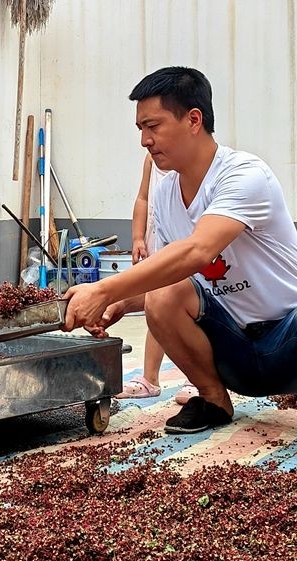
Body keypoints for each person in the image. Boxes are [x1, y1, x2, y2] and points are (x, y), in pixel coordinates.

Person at [63, 66, 297, 438]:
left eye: (153, 126)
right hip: (229, 348)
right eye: (141, 129)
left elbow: (198, 251)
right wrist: (121, 304)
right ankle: (213, 400)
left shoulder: (244, 175)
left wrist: (103, 289)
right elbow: (171, 279)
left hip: (292, 345)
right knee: (164, 295)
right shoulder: (165, 194)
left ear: (194, 119)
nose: (145, 140)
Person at [116, 154, 198, 404]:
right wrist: (138, 237)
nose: (148, 139)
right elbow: (143, 198)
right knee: (155, 306)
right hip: (157, 242)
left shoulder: (192, 163)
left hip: (185, 245)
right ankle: (149, 378)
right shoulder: (151, 160)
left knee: (192, 312)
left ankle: (196, 379)